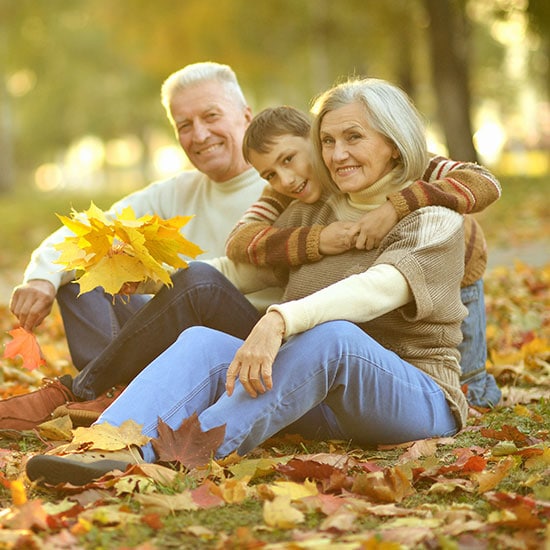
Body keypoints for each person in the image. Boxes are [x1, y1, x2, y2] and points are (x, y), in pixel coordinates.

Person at [28, 77, 478, 486]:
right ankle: (104, 447)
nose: (337, 154)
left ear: (394, 144)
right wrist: (150, 279)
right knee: (202, 341)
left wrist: (280, 320)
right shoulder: (310, 212)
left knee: (333, 336)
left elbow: (380, 287)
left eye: (353, 138)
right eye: (328, 140)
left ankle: (180, 458)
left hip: (416, 397)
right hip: (323, 404)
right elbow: (235, 272)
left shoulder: (434, 216)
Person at [1, 61, 270, 429]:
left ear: (246, 115)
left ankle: (83, 390)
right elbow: (87, 231)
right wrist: (41, 278)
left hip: (251, 347)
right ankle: (111, 398)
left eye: (211, 116)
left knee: (198, 279)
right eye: (185, 126)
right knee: (88, 262)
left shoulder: (283, 183)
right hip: (174, 344)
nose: (200, 134)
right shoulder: (177, 191)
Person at [226, 106, 502, 408]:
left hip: (456, 271)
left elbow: (484, 182)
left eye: (289, 159)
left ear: (317, 139)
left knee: (470, 379)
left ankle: (478, 393)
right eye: (270, 174)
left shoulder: (405, 159)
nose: (286, 179)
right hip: (392, 267)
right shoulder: (284, 188)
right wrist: (316, 240)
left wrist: (395, 207)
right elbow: (239, 240)